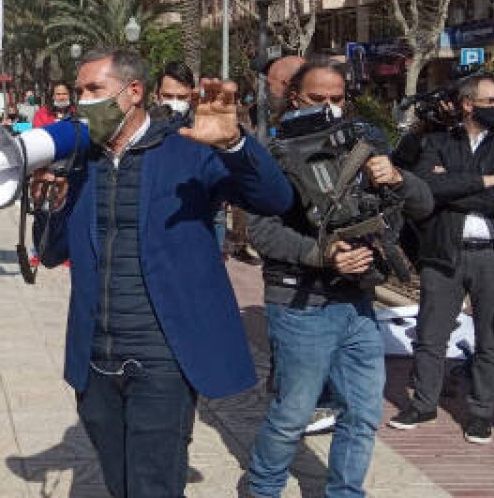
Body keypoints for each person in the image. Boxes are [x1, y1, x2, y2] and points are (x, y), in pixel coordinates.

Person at [34, 47, 293, 497]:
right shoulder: (82, 160)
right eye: (79, 91)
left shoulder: (189, 148)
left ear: (133, 92)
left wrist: (234, 145)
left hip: (162, 358)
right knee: (120, 484)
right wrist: (45, 203)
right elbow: (53, 252)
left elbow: (275, 199)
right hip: (96, 356)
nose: (82, 100)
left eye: (94, 89)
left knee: (154, 486)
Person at [246, 63, 433, 497]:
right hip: (301, 304)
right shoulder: (272, 153)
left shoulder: (365, 143)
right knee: (293, 414)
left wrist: (398, 177)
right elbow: (261, 230)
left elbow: (423, 206)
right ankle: (262, 488)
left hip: (358, 302)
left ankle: (346, 492)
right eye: (318, 99)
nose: (330, 108)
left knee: (363, 413)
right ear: (295, 98)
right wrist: (321, 254)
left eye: (337, 99)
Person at [390, 74, 494, 445]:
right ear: (468, 104)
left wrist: (451, 185)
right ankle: (423, 404)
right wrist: (485, 180)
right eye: (492, 101)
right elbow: (424, 187)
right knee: (430, 334)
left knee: (491, 338)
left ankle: (481, 413)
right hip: (444, 252)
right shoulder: (437, 142)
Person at [151, 61, 195, 126]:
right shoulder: (143, 127)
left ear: (192, 96)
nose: (175, 103)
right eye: (168, 96)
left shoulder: (200, 127)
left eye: (182, 97)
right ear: (156, 96)